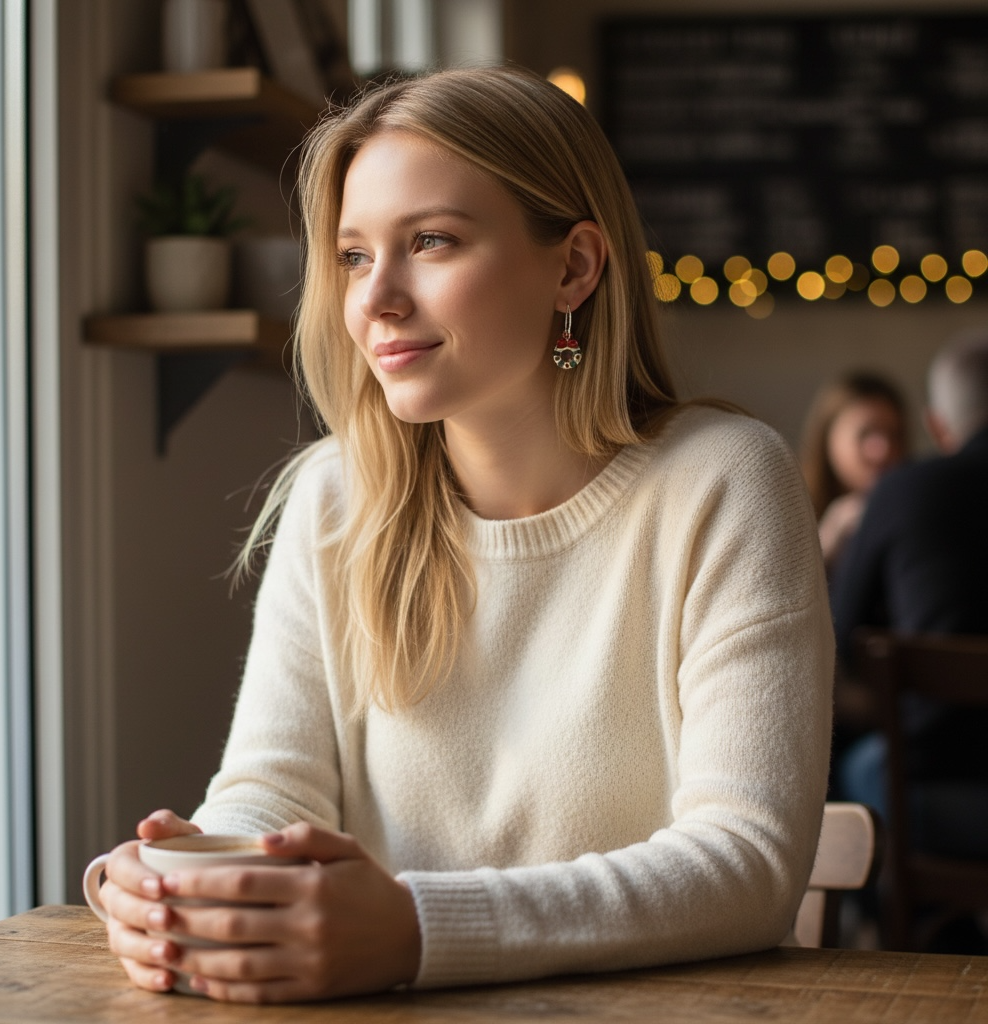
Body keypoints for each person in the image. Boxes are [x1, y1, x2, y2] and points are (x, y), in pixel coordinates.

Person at [94, 66, 834, 1004]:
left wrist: (416, 932)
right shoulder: (334, 495)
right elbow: (270, 795)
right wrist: (181, 877)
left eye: (431, 242)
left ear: (573, 266)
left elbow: (747, 867)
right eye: (355, 256)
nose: (375, 301)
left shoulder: (725, 480)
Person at [832, 330, 988, 823]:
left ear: (937, 427)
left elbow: (840, 639)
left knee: (858, 769)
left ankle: (890, 902)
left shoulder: (900, 493)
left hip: (934, 780)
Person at [799, 372, 908, 574]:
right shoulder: (791, 515)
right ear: (827, 437)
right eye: (866, 433)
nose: (883, 450)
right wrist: (826, 544)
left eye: (894, 435)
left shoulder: (915, 511)